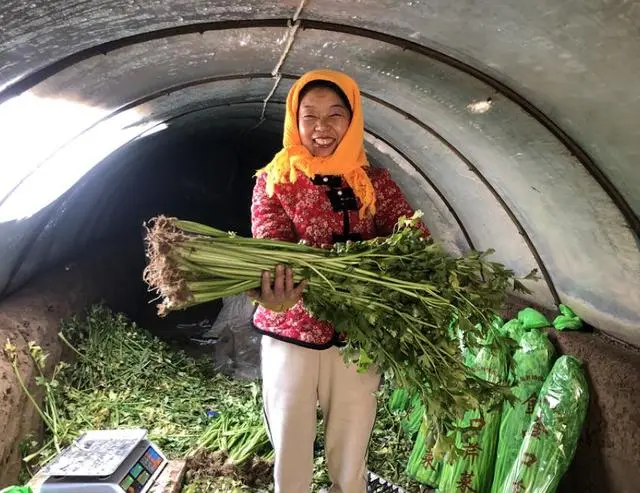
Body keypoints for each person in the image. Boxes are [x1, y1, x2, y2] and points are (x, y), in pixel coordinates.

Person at [249, 69, 429, 493]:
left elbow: (414, 240)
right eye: (309, 116)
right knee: (291, 451)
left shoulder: (375, 183)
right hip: (291, 330)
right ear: (295, 121)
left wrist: (385, 271)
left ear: (353, 120)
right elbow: (273, 249)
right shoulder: (275, 181)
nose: (321, 127)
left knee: (351, 454)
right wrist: (276, 293)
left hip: (358, 336)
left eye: (334, 115)